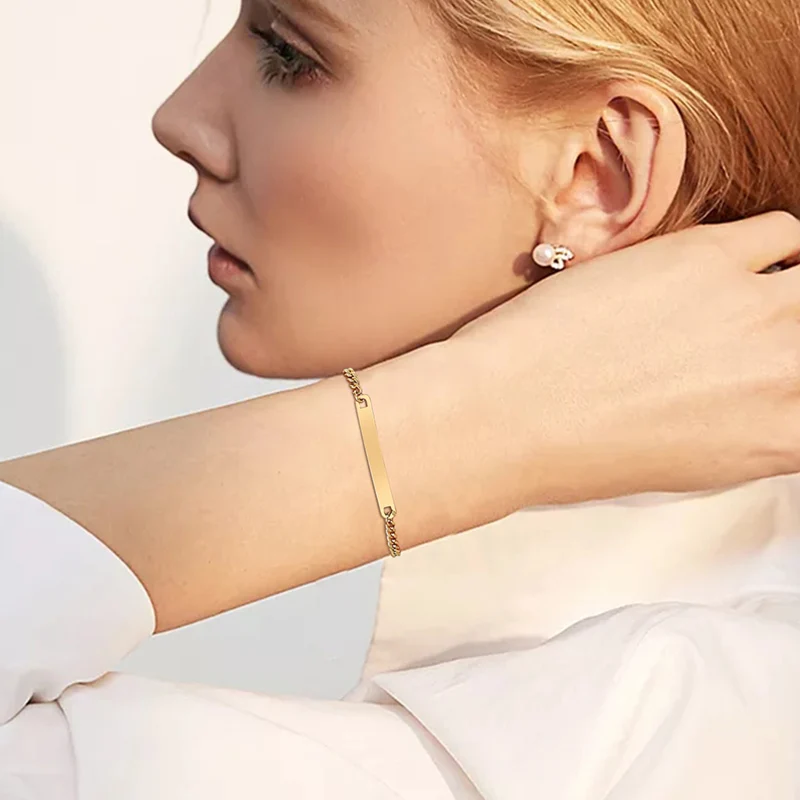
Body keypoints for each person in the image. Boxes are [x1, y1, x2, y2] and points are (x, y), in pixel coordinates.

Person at [1, 0, 800, 796]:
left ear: (596, 174)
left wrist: (467, 423)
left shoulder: (664, 731)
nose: (179, 120)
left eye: (287, 53)